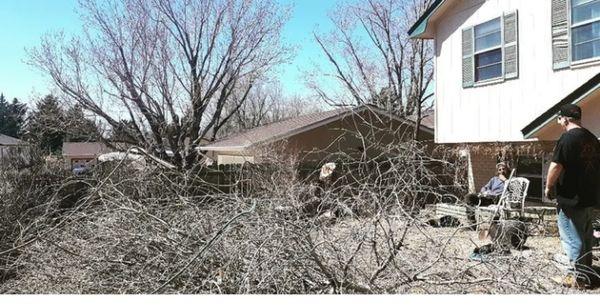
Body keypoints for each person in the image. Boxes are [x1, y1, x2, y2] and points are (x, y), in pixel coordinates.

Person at [545, 104, 600, 288]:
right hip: (589, 198)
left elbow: (556, 166)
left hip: (571, 199)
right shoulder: (592, 139)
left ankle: (576, 278)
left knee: (572, 238)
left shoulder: (567, 138)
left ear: (566, 119)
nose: (559, 123)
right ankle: (587, 274)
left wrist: (548, 186)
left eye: (559, 119)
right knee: (585, 238)